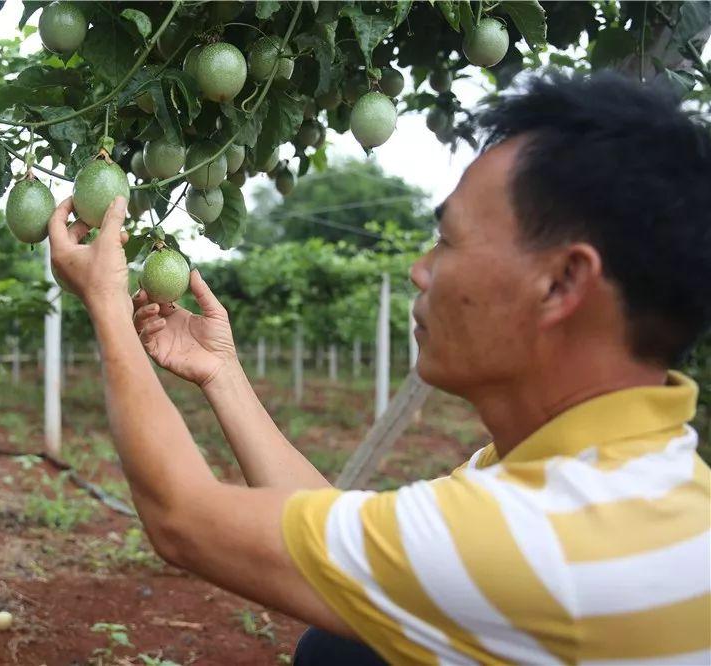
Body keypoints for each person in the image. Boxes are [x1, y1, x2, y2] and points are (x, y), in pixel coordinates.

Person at [47, 72, 711, 664]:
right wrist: (222, 373)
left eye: (446, 241)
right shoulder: (627, 481)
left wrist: (106, 305)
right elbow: (336, 526)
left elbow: (185, 518)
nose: (421, 270)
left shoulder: (541, 545)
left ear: (563, 282)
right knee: (340, 646)